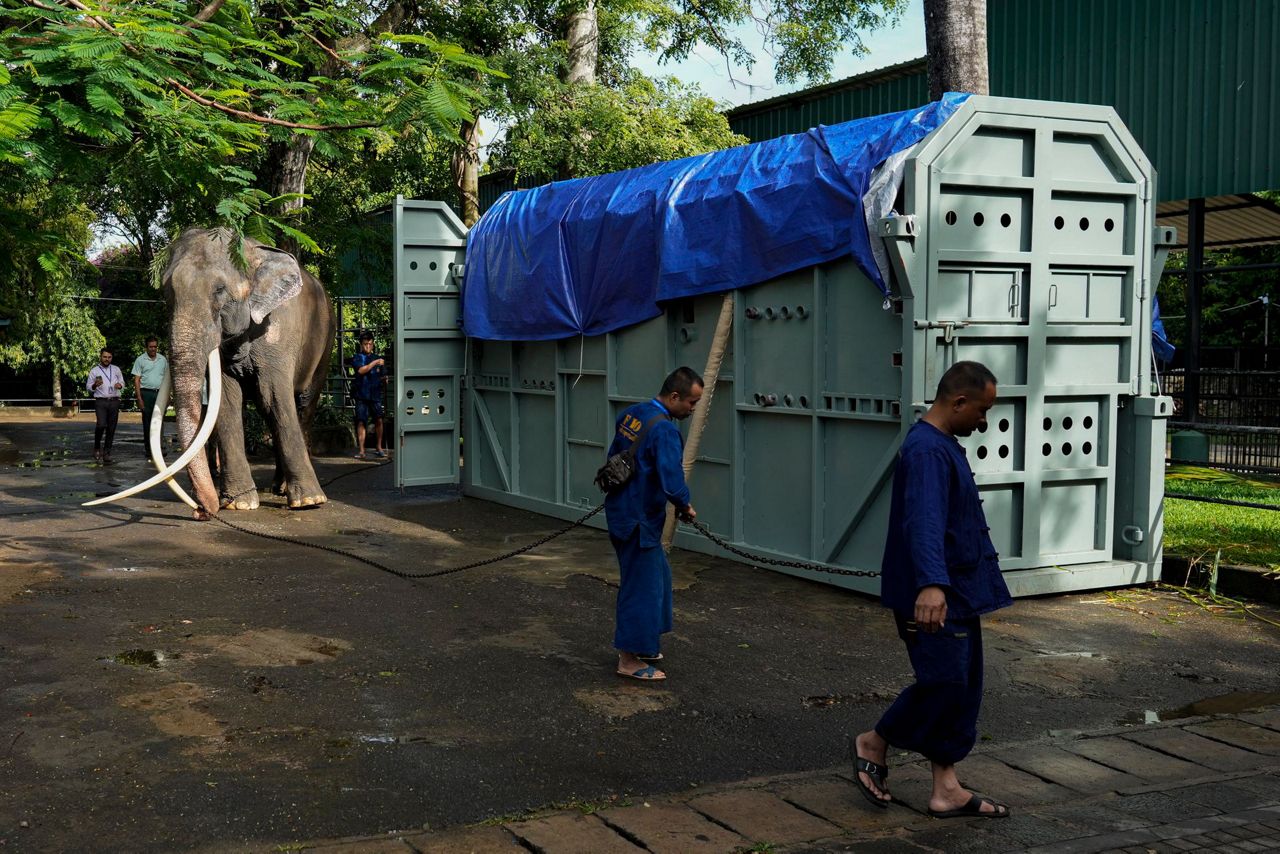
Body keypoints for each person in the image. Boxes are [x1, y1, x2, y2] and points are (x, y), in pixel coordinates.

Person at [851, 360, 1013, 819]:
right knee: (944, 683)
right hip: (938, 595)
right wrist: (932, 585)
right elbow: (923, 521)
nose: (984, 422)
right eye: (982, 411)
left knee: (962, 688)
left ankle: (946, 788)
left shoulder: (941, 445)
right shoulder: (926, 450)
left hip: (961, 592)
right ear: (958, 402)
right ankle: (874, 741)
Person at [604, 366, 702, 681]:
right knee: (641, 587)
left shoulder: (633, 414)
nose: (692, 409)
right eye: (690, 403)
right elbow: (672, 480)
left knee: (658, 574)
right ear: (674, 396)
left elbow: (614, 455)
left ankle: (645, 641)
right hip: (639, 519)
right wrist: (685, 504)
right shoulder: (665, 430)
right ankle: (629, 659)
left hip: (621, 509)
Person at [348, 332, 387, 460]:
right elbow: (361, 370)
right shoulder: (357, 357)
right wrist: (375, 363)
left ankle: (379, 447)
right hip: (361, 395)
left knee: (379, 420)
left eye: (370, 344)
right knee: (361, 421)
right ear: (361, 344)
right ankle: (361, 451)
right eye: (365, 344)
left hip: (375, 394)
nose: (368, 346)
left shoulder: (378, 358)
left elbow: (382, 375)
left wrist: (384, 379)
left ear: (373, 344)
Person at [86, 347, 125, 463]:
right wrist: (94, 385)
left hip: (114, 400)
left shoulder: (116, 369)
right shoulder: (94, 370)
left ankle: (107, 453)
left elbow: (122, 382)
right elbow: (88, 387)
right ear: (100, 357)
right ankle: (97, 447)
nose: (107, 359)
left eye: (109, 357)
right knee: (101, 425)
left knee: (111, 428)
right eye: (105, 357)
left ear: (111, 357)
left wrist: (120, 385)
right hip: (101, 401)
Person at [132, 336, 169, 459]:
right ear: (146, 347)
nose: (153, 349)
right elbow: (136, 380)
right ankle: (149, 449)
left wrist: (168, 395)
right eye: (151, 347)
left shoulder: (162, 360)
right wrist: (139, 398)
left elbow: (167, 379)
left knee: (160, 421)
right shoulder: (140, 360)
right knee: (147, 422)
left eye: (155, 346)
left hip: (160, 393)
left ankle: (160, 447)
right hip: (146, 393)